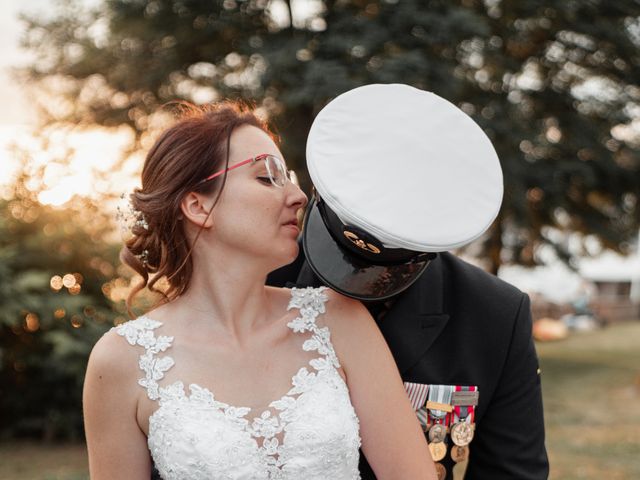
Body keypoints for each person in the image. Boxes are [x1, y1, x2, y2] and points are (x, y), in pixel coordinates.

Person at [83, 102, 437, 480]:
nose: (299, 196)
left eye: (290, 177)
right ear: (198, 206)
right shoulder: (121, 361)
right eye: (268, 177)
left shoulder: (339, 320)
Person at [267, 84, 550, 480]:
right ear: (319, 193)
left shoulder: (495, 315)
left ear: (429, 247)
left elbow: (513, 473)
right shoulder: (260, 280)